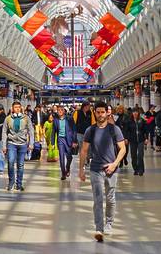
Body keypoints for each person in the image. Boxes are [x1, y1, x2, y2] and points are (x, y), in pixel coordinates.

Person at [78, 102, 127, 242]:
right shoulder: (90, 130)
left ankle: (109, 223)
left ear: (107, 113)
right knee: (98, 199)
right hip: (95, 169)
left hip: (111, 169)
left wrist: (114, 164)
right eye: (98, 112)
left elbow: (122, 149)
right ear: (95, 113)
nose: (100, 115)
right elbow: (84, 151)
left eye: (102, 112)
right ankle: (99, 228)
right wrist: (81, 169)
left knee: (110, 198)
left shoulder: (114, 129)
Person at [0, 100, 32, 192]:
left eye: (18, 107)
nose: (17, 109)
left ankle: (19, 184)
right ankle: (11, 182)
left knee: (20, 165)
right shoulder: (8, 118)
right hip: (11, 144)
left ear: (21, 108)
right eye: (15, 107)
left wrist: (31, 143)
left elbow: (31, 131)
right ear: (12, 109)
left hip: (22, 144)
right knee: (10, 162)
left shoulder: (26, 118)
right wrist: (4, 145)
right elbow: (4, 132)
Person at [53, 105, 78, 179]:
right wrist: (52, 143)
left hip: (69, 139)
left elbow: (74, 130)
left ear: (64, 111)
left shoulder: (69, 119)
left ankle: (68, 168)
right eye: (58, 110)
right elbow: (53, 132)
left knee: (69, 156)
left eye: (61, 110)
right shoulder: (55, 120)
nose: (60, 111)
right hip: (60, 139)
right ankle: (63, 173)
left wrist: (74, 141)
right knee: (61, 156)